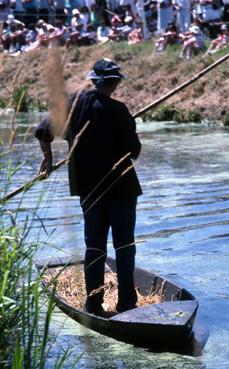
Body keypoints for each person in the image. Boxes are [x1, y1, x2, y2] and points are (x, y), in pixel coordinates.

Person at [35, 58, 142, 315]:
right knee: (124, 245)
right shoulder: (118, 110)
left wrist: (48, 158)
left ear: (94, 80)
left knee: (94, 246)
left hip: (90, 190)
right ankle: (127, 303)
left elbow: (42, 132)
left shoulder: (73, 105)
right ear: (115, 83)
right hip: (122, 188)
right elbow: (134, 151)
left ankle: (94, 304)